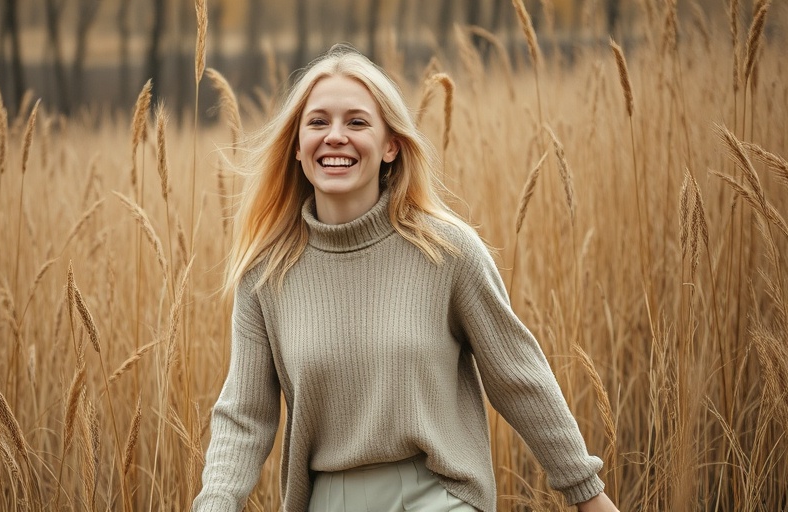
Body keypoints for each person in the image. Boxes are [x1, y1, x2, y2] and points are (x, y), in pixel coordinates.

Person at [192, 44, 619, 512]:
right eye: (317, 123)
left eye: (356, 122)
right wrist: (214, 503)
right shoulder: (265, 274)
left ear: (391, 144)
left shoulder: (449, 251)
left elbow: (518, 376)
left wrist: (586, 492)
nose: (335, 136)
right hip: (328, 500)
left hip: (439, 495)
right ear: (296, 147)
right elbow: (244, 417)